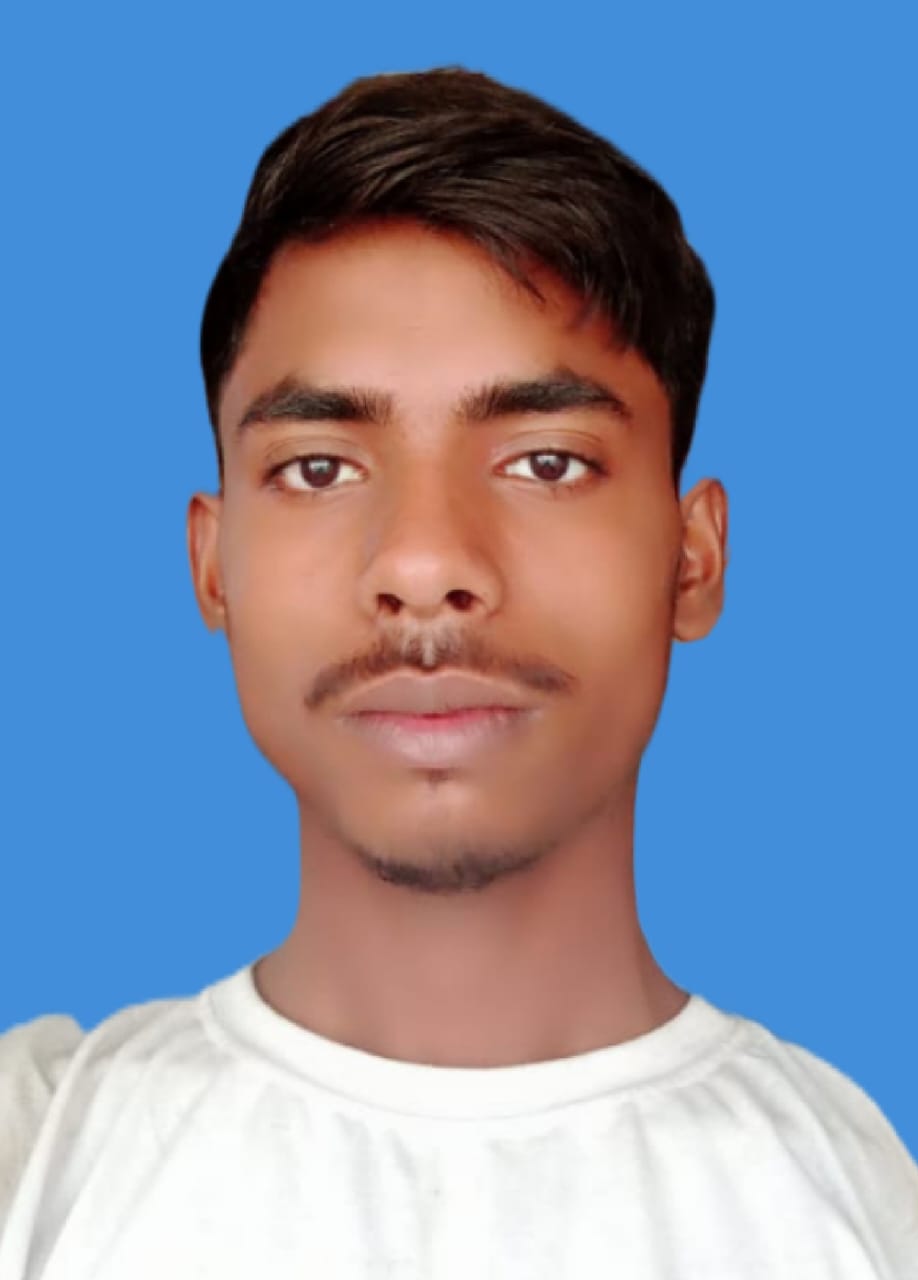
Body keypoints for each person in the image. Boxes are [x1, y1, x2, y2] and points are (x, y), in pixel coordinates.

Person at [1, 66, 915, 1279]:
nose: (425, 564)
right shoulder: (38, 1157)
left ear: (692, 559)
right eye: (320, 468)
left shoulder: (866, 1210)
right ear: (213, 567)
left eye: (547, 462)